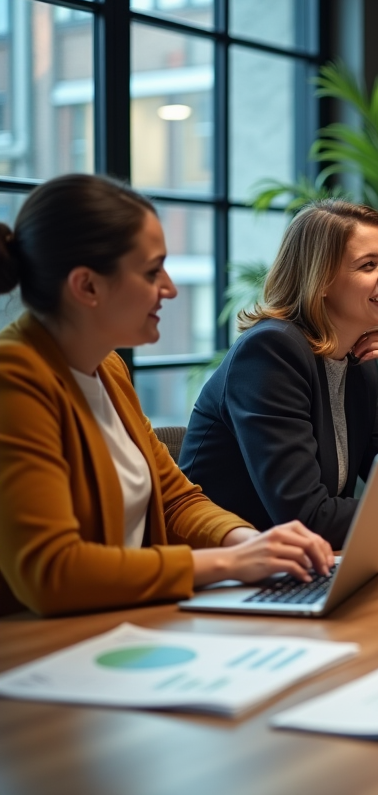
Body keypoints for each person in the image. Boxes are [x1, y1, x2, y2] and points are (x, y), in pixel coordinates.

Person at [0, 174, 333, 618]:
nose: (170, 288)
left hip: (128, 622)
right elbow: (53, 572)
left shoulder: (108, 368)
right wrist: (226, 563)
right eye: (153, 271)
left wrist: (251, 543)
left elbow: (176, 499)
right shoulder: (15, 377)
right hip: (46, 646)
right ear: (87, 286)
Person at [180, 201, 378, 550]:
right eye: (368, 264)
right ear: (321, 281)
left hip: (305, 567)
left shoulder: (360, 360)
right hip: (228, 574)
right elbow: (308, 518)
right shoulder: (270, 352)